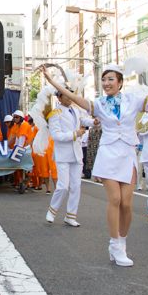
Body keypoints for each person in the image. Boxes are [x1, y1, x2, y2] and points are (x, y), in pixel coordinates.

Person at [43, 60, 148, 266]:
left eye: (111, 79)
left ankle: (121, 243)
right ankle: (114, 244)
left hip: (127, 154)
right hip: (108, 153)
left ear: (120, 83)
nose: (106, 83)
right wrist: (52, 81)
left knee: (126, 204)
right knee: (114, 199)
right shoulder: (98, 103)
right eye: (104, 79)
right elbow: (73, 97)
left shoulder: (133, 101)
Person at [45, 86, 93, 227]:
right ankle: (52, 211)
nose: (69, 97)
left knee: (76, 186)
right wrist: (75, 134)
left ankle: (70, 216)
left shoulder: (76, 109)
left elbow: (84, 120)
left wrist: (94, 122)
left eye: (71, 94)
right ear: (59, 97)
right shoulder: (55, 113)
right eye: (66, 94)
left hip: (76, 153)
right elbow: (55, 135)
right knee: (63, 186)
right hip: (63, 154)